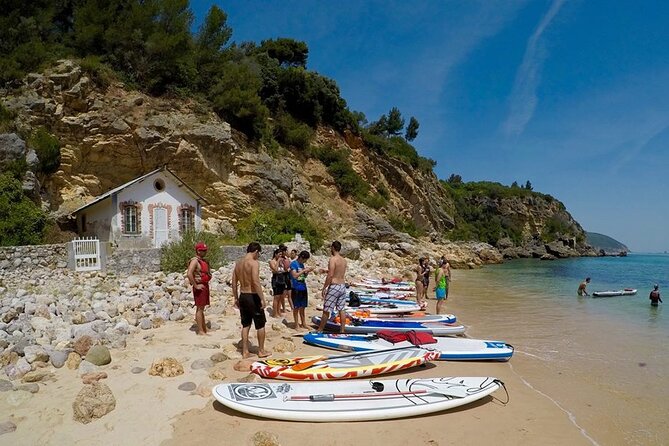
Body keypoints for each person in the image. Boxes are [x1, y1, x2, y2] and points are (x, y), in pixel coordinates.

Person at [231, 242, 270, 358]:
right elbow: (255, 281)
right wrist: (262, 298)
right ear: (256, 251)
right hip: (252, 296)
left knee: (246, 324)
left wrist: (236, 298)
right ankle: (261, 350)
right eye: (259, 254)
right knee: (260, 324)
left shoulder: (238, 263)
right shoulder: (254, 263)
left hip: (243, 295)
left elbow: (233, 283)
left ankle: (245, 351)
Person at [317, 241, 348, 333]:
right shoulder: (344, 260)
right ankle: (342, 330)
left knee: (327, 309)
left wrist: (324, 287)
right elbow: (337, 271)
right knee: (341, 309)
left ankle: (320, 329)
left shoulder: (333, 259)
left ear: (333, 248)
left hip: (334, 286)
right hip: (342, 285)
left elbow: (331, 275)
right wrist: (326, 271)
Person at [187, 242, 212, 336]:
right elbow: (189, 273)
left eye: (205, 250)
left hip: (204, 285)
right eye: (203, 251)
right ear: (198, 251)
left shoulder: (202, 260)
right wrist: (196, 285)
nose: (205, 252)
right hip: (199, 286)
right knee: (199, 308)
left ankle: (204, 328)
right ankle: (200, 330)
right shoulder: (195, 261)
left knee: (202, 307)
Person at [290, 250, 315, 329]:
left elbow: (303, 277)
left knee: (303, 307)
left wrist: (307, 272)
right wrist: (304, 270)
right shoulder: (294, 264)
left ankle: (303, 323)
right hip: (296, 287)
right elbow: (294, 276)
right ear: (302, 257)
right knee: (296, 307)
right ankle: (296, 324)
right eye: (305, 259)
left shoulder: (301, 264)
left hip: (303, 286)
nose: (305, 261)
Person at [268, 249, 286, 318]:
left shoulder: (281, 262)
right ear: (275, 254)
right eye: (279, 254)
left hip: (282, 279)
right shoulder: (272, 261)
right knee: (276, 297)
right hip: (276, 280)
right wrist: (278, 261)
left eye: (281, 254)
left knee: (281, 296)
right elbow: (275, 270)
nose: (280, 256)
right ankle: (274, 313)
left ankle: (278, 311)